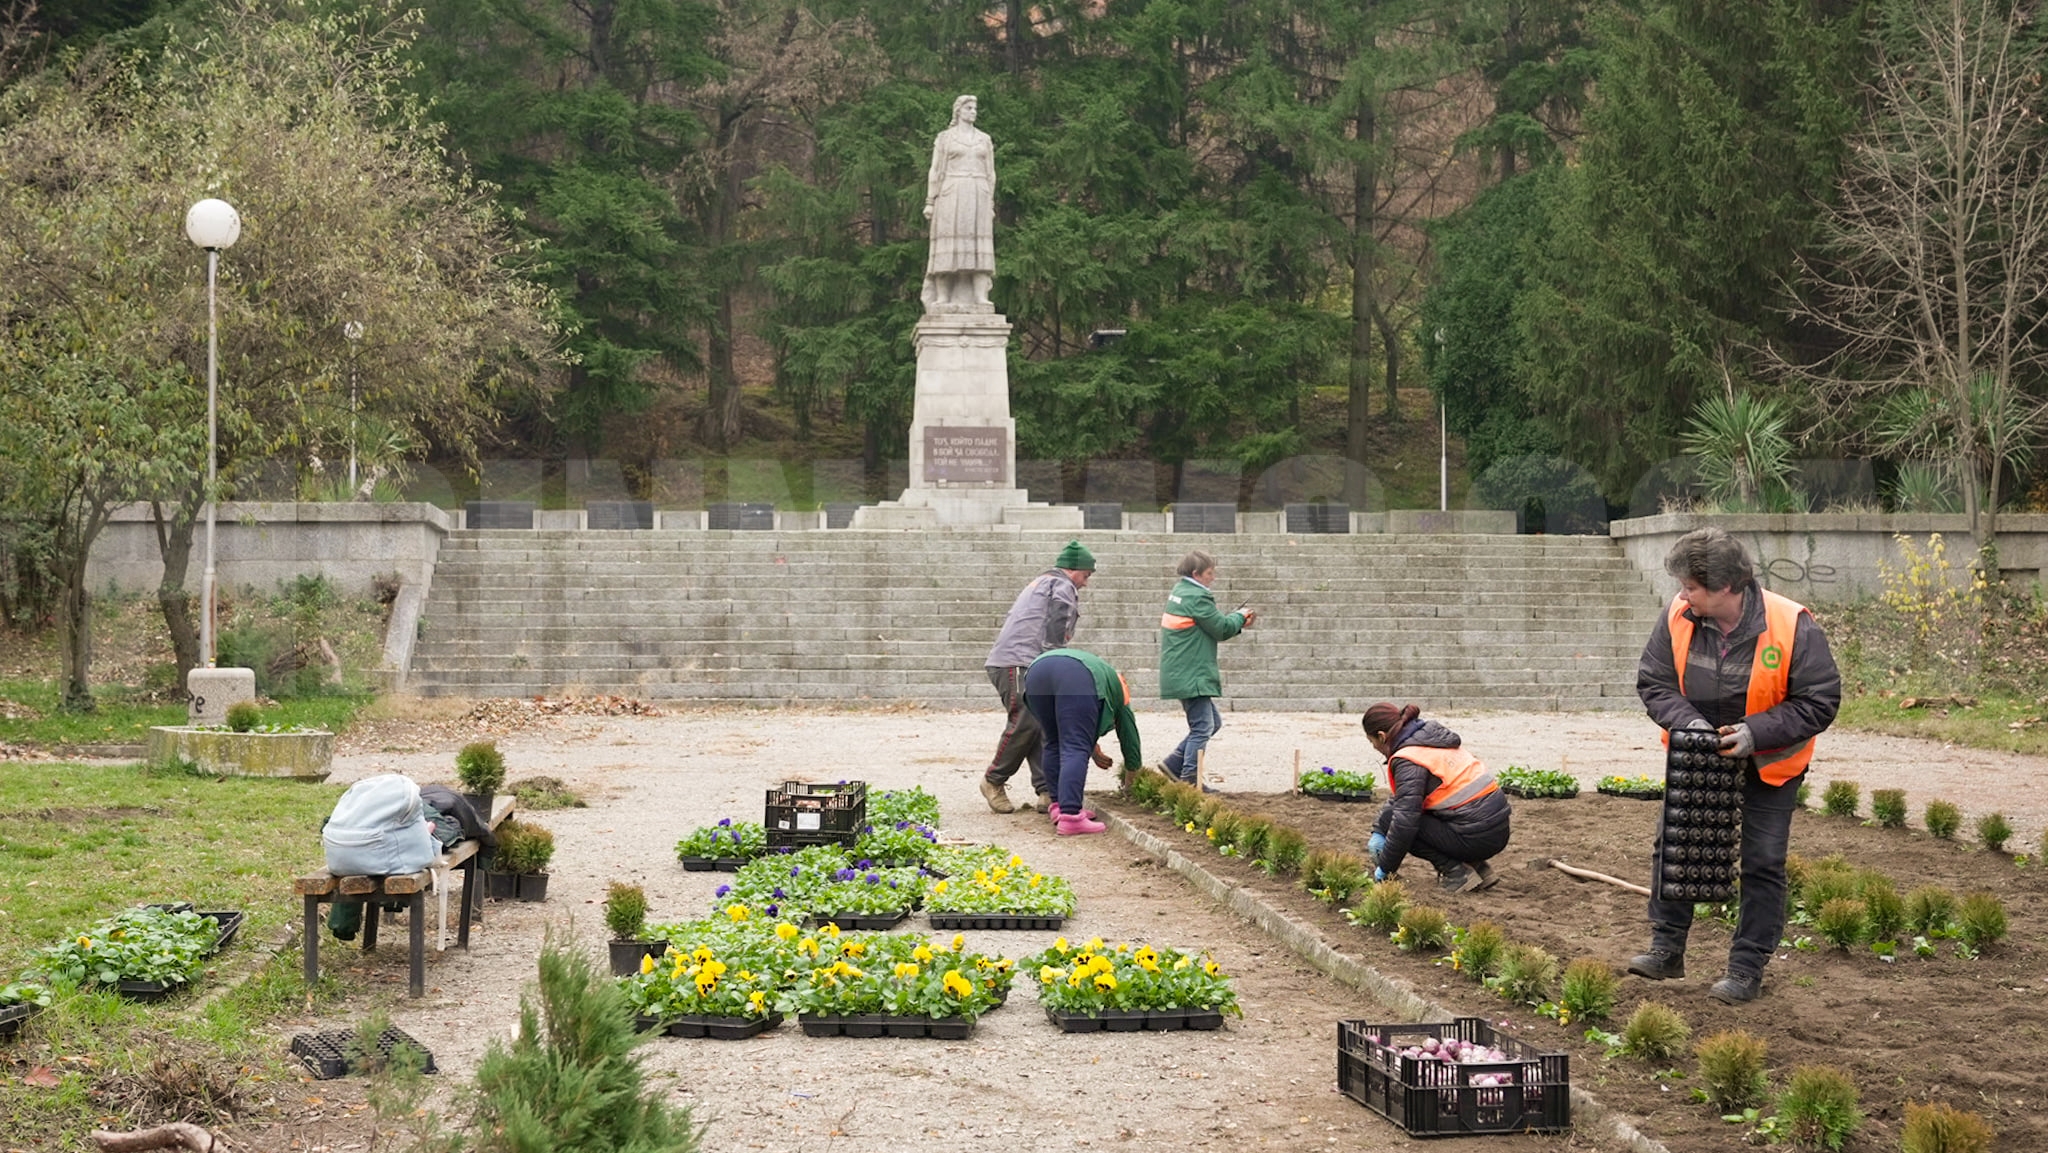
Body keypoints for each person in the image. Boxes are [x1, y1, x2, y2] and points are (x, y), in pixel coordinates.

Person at [1628, 526, 1840, 1005]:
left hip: (1769, 764)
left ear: (1725, 587)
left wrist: (1754, 734)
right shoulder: (1679, 618)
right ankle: (1666, 951)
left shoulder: (1792, 624)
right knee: (1677, 848)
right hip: (1699, 758)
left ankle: (1746, 969)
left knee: (1763, 863)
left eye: (1691, 587)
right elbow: (1654, 683)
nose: (1682, 595)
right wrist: (1691, 726)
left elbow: (1820, 701)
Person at [980, 540, 1096, 814]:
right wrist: (1055, 659)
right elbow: (1059, 619)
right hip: (1019, 661)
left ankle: (1047, 790)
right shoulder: (1062, 586)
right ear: (1073, 569)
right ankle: (993, 780)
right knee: (1026, 721)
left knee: (1041, 723)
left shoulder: (1043, 582)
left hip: (1018, 659)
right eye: (1086, 576)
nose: (1086, 583)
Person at [1360, 703, 1511, 893]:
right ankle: (1479, 868)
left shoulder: (1409, 759)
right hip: (1496, 830)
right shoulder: (1430, 740)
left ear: (1382, 736)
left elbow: (1404, 822)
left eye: (1372, 742)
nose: (1374, 747)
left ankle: (1457, 873)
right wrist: (1378, 828)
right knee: (1405, 815)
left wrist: (1385, 870)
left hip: (1477, 838)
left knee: (1403, 826)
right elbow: (1405, 798)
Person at [1022, 647, 1143, 836]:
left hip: (1037, 671)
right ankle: (1071, 816)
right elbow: (1129, 736)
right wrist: (1132, 778)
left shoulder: (1102, 674)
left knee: (1053, 741)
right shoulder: (1120, 691)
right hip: (1075, 676)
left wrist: (1094, 749)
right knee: (1075, 747)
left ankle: (1058, 806)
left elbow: (1074, 725)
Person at [1158, 551, 1252, 787]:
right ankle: (1189, 779)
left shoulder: (1180, 591)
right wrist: (1240, 617)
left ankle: (1173, 763)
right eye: (1210, 573)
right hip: (1192, 674)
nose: (1213, 577)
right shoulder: (1198, 597)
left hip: (1180, 671)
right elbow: (1220, 628)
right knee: (1202, 727)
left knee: (1212, 722)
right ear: (1196, 574)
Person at [922, 94, 996, 311]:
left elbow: (991, 172)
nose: (973, 112)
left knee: (979, 244)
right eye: (969, 108)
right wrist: (930, 201)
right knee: (948, 243)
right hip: (951, 192)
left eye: (975, 108)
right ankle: (943, 297)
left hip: (978, 193)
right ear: (958, 111)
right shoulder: (945, 138)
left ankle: (980, 296)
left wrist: (990, 201)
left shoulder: (984, 139)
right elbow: (935, 170)